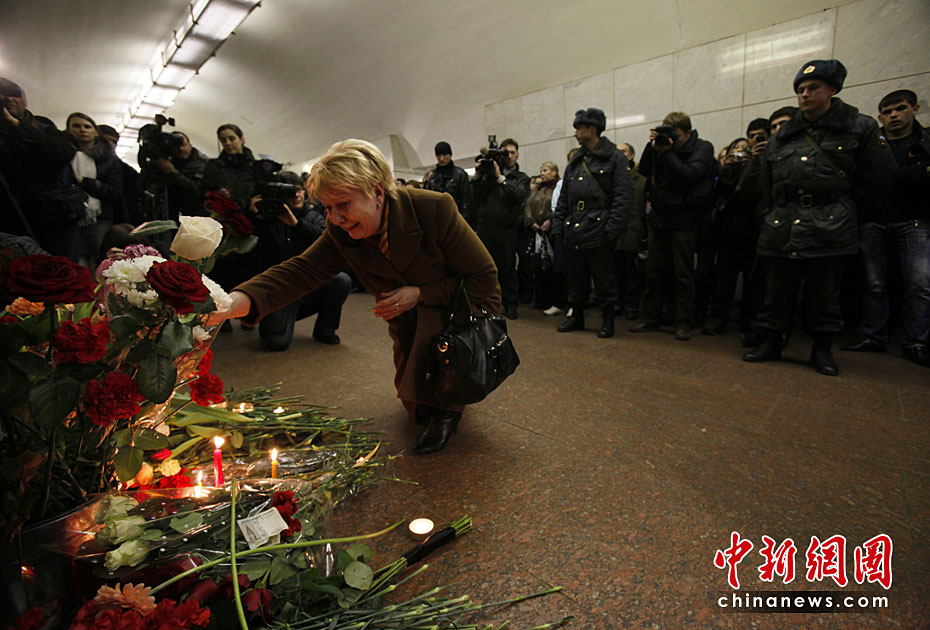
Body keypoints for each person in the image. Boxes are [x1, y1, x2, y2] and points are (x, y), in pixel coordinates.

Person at [224, 139, 501, 454]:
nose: (335, 218)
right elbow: (301, 270)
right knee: (415, 404)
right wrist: (233, 302)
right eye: (328, 208)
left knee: (443, 386)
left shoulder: (433, 208)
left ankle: (449, 411)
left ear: (377, 192)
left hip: (459, 309)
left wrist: (421, 294)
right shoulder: (341, 231)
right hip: (404, 316)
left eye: (343, 205)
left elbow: (483, 277)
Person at [743, 59, 896, 376]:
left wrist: (846, 213)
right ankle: (770, 342)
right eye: (801, 89)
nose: (805, 95)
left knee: (824, 295)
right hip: (783, 224)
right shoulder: (784, 135)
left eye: (813, 88)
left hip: (831, 224)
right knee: (776, 291)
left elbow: (879, 177)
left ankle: (822, 350)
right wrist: (770, 213)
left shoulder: (858, 126)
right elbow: (767, 182)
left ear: (832, 89)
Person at [840, 89, 930, 367]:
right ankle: (874, 336)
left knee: (919, 284)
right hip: (874, 219)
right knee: (873, 283)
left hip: (915, 220)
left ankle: (916, 341)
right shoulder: (872, 142)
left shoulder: (925, 141)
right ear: (880, 117)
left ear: (914, 109)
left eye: (900, 108)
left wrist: (897, 175)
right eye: (887, 112)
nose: (894, 115)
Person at [631, 111, 716, 341]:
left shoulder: (702, 148)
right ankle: (650, 317)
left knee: (683, 274)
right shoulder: (661, 148)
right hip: (660, 217)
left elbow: (688, 175)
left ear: (687, 132)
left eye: (675, 135)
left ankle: (684, 322)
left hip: (685, 219)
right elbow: (644, 170)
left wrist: (666, 153)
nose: (671, 140)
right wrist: (652, 146)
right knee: (653, 272)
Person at [551, 107, 632, 338]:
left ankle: (608, 320)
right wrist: (558, 225)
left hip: (600, 227)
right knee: (576, 278)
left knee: (604, 278)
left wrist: (613, 227)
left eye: (579, 128)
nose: (575, 133)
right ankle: (576, 316)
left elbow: (623, 196)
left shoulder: (614, 157)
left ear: (593, 129)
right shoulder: (575, 162)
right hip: (575, 226)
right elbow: (564, 197)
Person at [250, 171, 351, 350]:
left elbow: (327, 240)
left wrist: (296, 225)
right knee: (276, 342)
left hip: (308, 285)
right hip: (279, 291)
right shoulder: (266, 220)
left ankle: (325, 330)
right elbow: (253, 254)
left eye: (299, 190)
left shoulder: (313, 217)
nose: (297, 195)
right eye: (290, 192)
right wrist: (253, 216)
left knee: (341, 280)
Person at [0, 78, 83, 260]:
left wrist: (16, 125)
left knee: (62, 267)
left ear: (25, 100)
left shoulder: (42, 127)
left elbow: (62, 153)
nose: (9, 99)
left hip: (54, 214)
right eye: (2, 96)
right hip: (12, 217)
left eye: (14, 95)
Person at [703, 138, 763, 337]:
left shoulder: (758, 168)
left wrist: (753, 165)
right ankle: (718, 317)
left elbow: (755, 192)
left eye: (744, 150)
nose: (740, 153)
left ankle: (749, 320)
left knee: (752, 281)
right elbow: (721, 191)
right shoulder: (725, 171)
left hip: (753, 230)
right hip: (728, 232)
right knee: (724, 278)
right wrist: (727, 169)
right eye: (736, 149)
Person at [472, 137, 530, 320]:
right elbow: (475, 197)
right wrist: (478, 176)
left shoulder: (521, 178)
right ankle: (485, 304)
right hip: (486, 228)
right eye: (506, 153)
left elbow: (518, 195)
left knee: (507, 269)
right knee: (484, 268)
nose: (509, 156)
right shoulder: (487, 176)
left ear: (518, 154)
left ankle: (510, 305)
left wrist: (499, 177)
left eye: (512, 152)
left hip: (506, 230)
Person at [65, 112, 124, 268]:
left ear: (95, 132)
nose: (82, 130)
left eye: (87, 126)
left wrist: (84, 182)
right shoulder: (63, 155)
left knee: (99, 260)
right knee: (73, 260)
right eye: (76, 126)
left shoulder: (108, 159)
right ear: (69, 130)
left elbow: (114, 192)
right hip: (69, 214)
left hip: (100, 216)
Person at [522, 161, 559, 311]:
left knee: (554, 267)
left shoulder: (558, 188)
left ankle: (555, 300)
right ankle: (541, 299)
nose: (542, 173)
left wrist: (550, 220)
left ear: (554, 172)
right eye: (541, 170)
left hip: (552, 232)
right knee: (538, 267)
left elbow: (558, 206)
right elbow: (528, 206)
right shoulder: (537, 190)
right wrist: (531, 222)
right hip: (536, 232)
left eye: (545, 170)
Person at [425, 141, 472, 224]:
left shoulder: (460, 174)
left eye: (445, 155)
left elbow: (466, 200)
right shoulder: (433, 176)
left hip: (455, 218)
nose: (441, 158)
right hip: (436, 219)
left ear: (450, 155)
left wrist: (463, 221)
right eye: (438, 155)